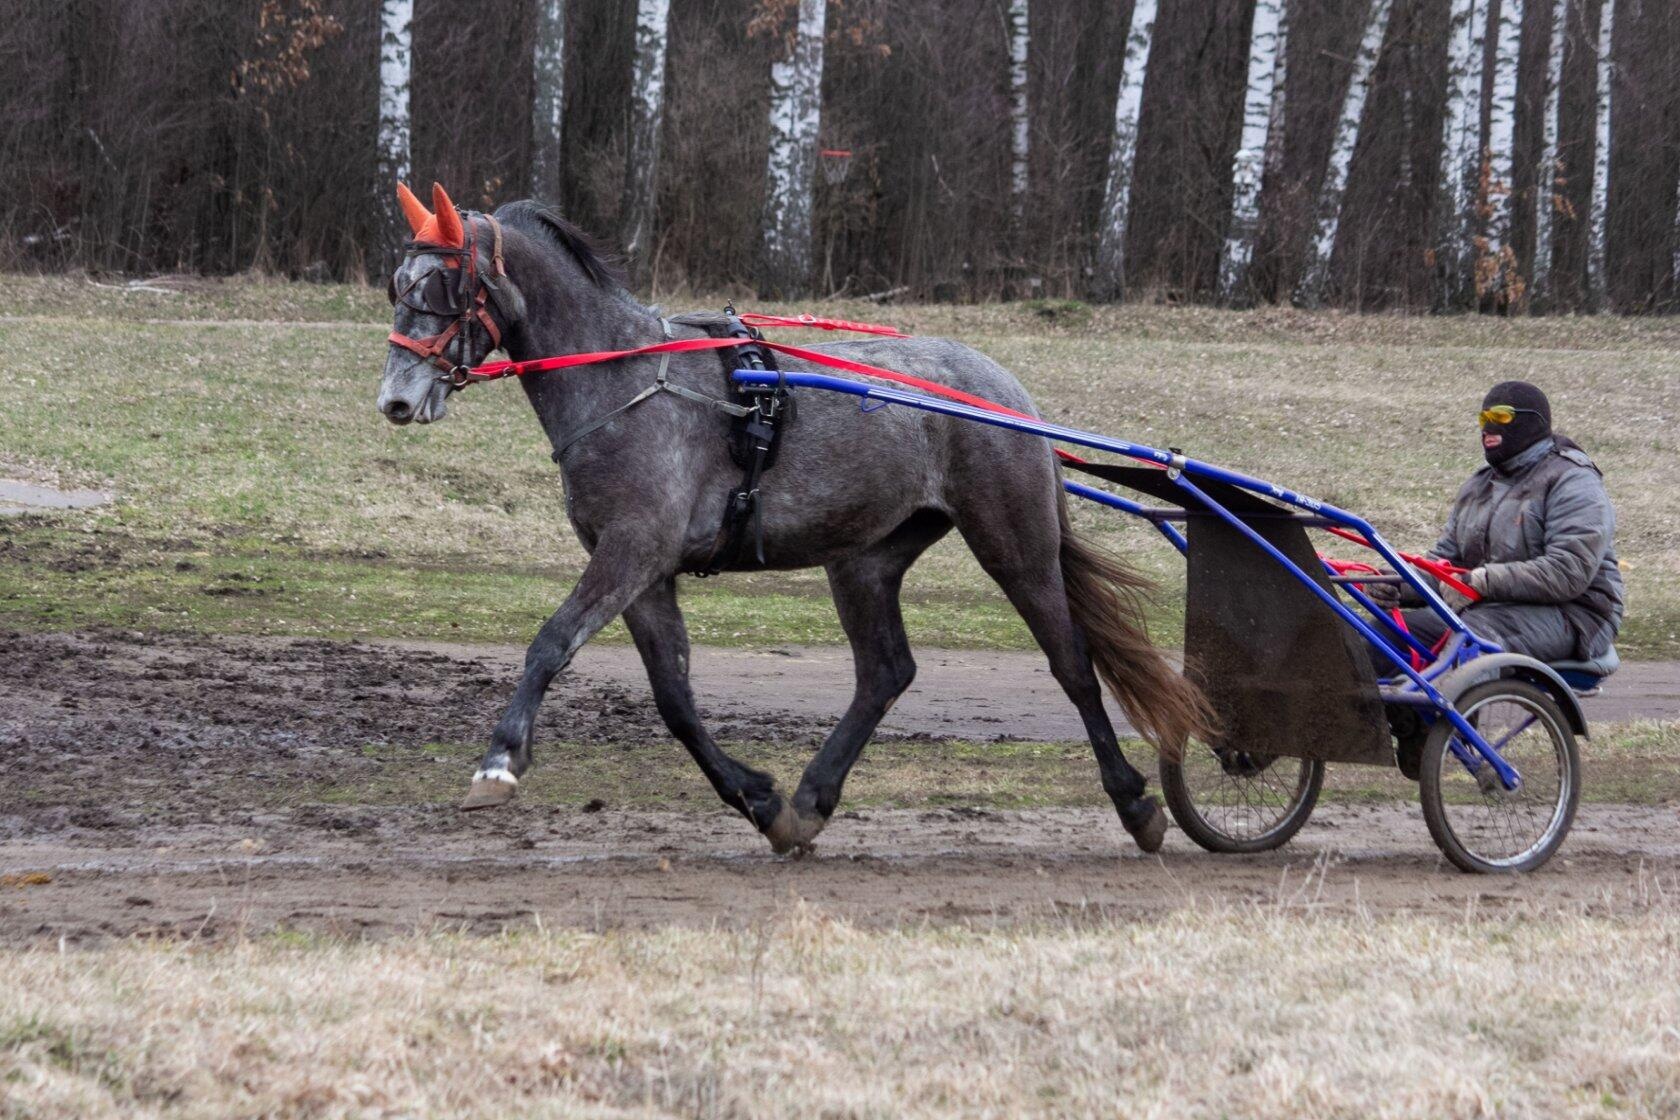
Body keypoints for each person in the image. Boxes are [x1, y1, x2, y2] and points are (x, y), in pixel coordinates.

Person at [1368, 380, 1624, 666]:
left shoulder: (1573, 480)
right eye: (1484, 418)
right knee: (1381, 634)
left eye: (1501, 417)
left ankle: (1454, 709)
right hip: (1490, 607)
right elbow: (1444, 566)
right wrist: (1401, 584)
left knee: (1467, 642)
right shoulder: (1478, 486)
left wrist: (1483, 581)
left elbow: (1568, 572)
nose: (1489, 427)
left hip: (1575, 614)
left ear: (1533, 422)